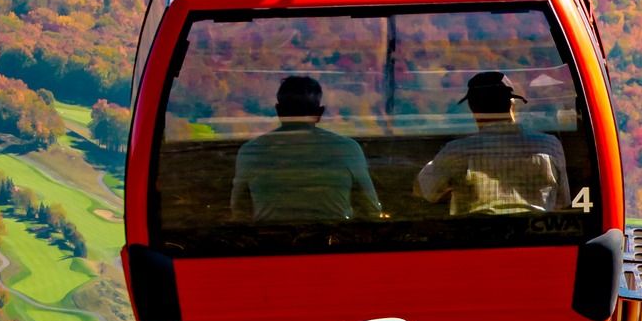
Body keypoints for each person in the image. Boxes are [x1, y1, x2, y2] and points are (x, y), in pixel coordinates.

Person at [231, 74, 383, 226]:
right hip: (334, 242)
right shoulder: (348, 149)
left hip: (270, 243)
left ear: (279, 111)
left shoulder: (251, 151)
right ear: (319, 113)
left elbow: (238, 210)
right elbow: (371, 208)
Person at [415, 70, 570, 217]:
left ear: (473, 109)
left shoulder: (457, 151)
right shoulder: (549, 146)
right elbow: (562, 202)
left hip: (479, 240)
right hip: (536, 239)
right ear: (512, 104)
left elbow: (425, 191)